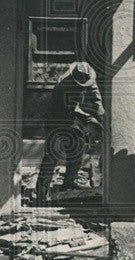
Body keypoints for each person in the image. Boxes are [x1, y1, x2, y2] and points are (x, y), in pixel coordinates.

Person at [35, 61, 105, 205]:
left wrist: (100, 111)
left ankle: (69, 181)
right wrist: (89, 119)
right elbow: (71, 110)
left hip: (71, 118)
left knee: (78, 146)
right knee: (52, 154)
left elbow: (95, 93)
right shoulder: (63, 86)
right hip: (56, 119)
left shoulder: (89, 78)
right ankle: (41, 192)